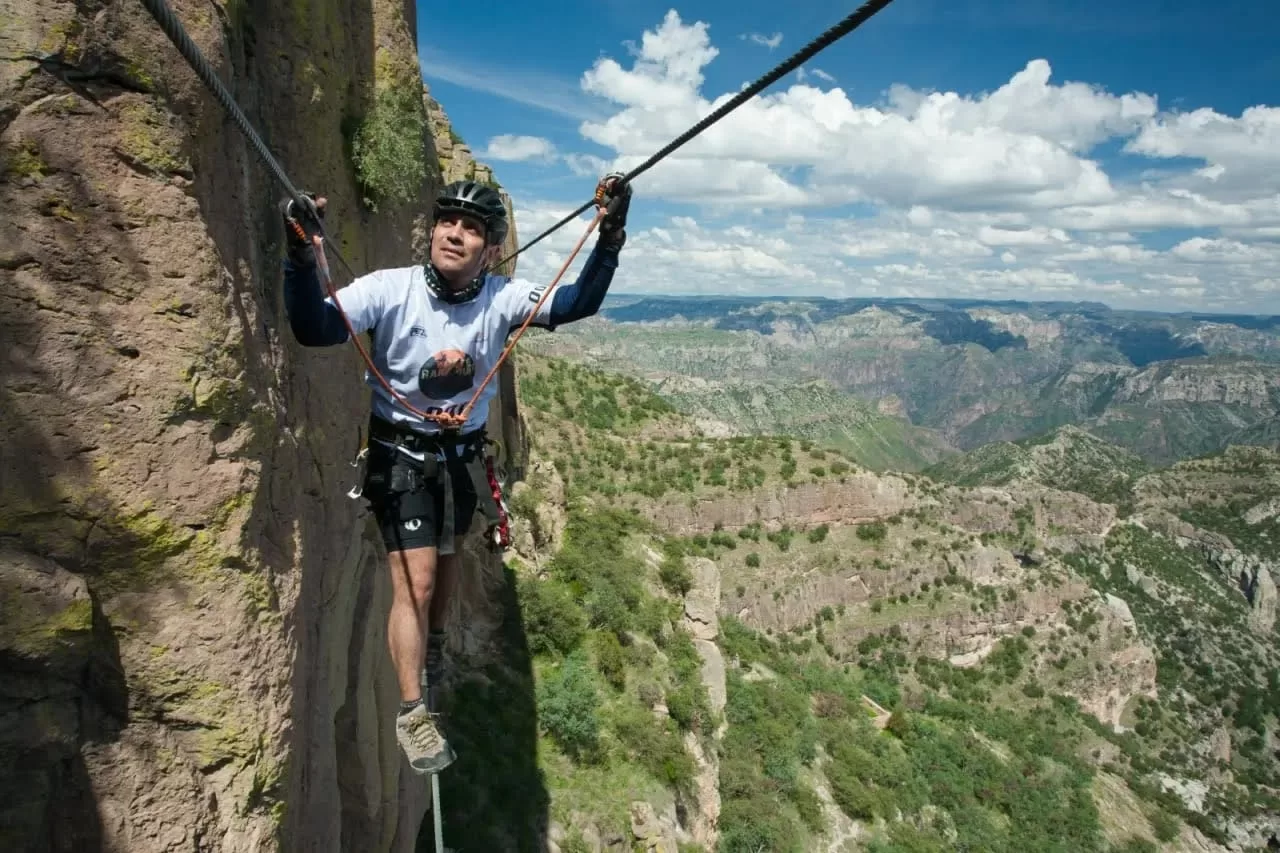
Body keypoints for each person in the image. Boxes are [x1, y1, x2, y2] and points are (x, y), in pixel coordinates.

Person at [280, 174, 632, 774]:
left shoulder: (502, 297)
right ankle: (412, 714)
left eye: (471, 228)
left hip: (463, 458)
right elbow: (315, 329)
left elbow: (578, 302)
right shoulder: (389, 290)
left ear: (490, 249)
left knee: (447, 562)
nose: (455, 234)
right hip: (401, 456)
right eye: (448, 222)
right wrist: (298, 256)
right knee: (415, 584)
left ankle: (434, 643)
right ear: (432, 231)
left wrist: (611, 235)